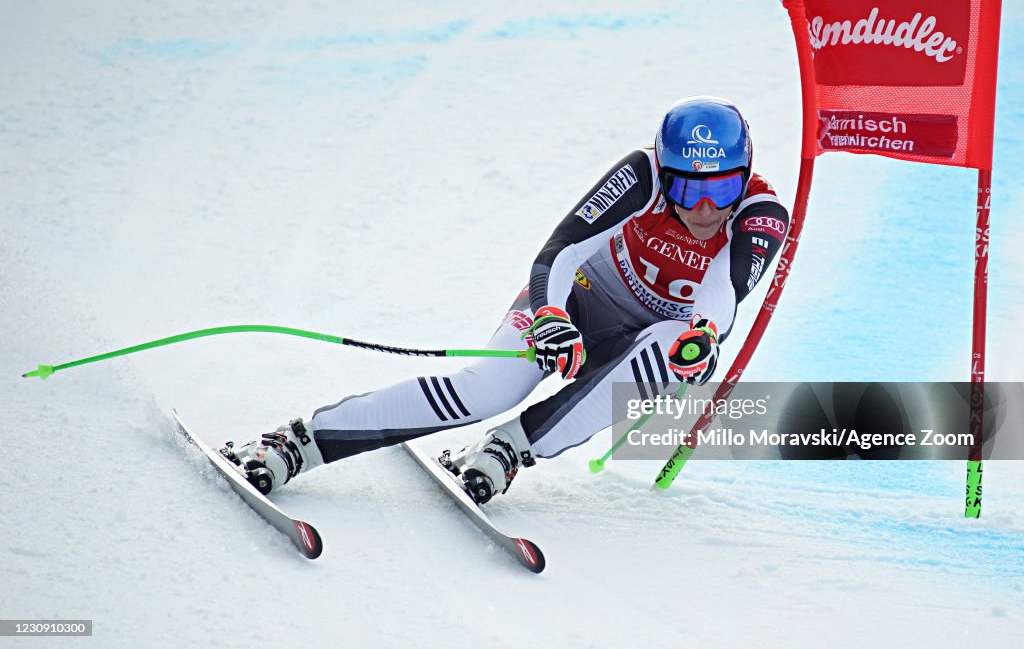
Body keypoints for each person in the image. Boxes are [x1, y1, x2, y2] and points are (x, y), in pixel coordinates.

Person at [222, 96, 790, 504]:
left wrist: (704, 337)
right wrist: (549, 314)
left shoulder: (761, 213)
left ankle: (507, 450)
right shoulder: (643, 175)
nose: (705, 208)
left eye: (721, 187)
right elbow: (560, 252)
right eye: (689, 187)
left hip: (640, 342)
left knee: (678, 352)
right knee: (485, 391)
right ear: (666, 173)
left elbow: (723, 292)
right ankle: (298, 441)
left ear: (745, 173)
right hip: (579, 301)